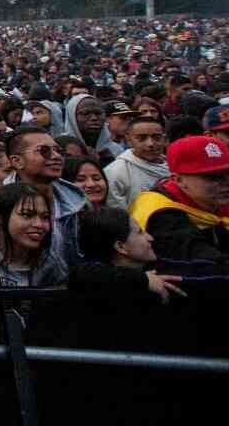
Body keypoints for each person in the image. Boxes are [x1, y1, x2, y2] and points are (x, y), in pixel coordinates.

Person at [0, 126, 88, 267]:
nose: (56, 157)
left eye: (58, 151)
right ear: (17, 161)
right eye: (44, 151)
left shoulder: (78, 202)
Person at [129, 135, 229, 265]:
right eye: (213, 177)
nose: (226, 182)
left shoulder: (213, 200)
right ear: (179, 180)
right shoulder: (161, 215)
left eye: (228, 173)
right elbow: (208, 262)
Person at [69, 207, 187, 303]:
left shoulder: (160, 268)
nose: (150, 238)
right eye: (140, 232)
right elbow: (82, 274)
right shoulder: (94, 287)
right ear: (120, 247)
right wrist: (143, 280)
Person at [104, 116, 169, 210]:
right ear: (129, 140)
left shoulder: (174, 167)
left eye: (157, 137)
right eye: (141, 138)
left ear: (165, 139)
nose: (150, 144)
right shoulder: (115, 173)